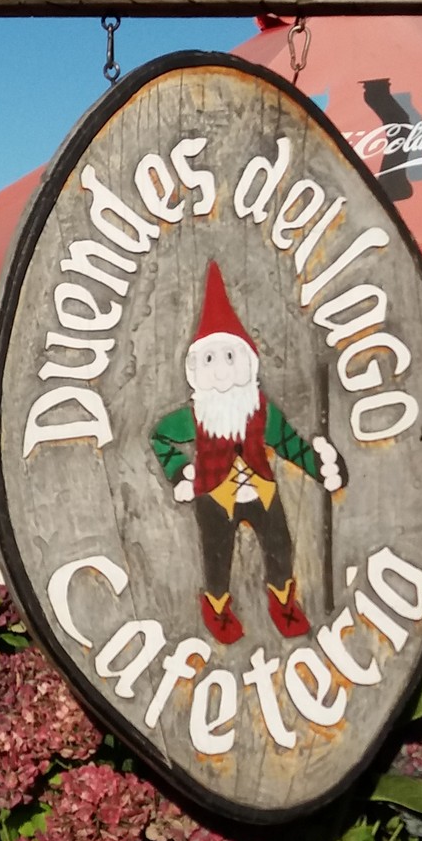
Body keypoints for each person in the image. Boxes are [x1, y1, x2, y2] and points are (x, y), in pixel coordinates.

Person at [149, 261, 346, 645]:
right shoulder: (195, 416)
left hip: (261, 490)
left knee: (280, 547)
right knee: (217, 557)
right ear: (196, 368)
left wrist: (319, 468)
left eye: (229, 357)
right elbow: (160, 437)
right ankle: (217, 609)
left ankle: (283, 603)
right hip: (214, 495)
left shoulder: (261, 411)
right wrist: (180, 471)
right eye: (210, 359)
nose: (221, 370)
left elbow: (289, 445)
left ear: (246, 362)